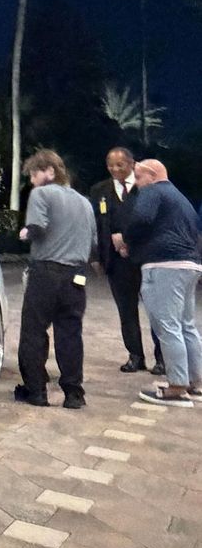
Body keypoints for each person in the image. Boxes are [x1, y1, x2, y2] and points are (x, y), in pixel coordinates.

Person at [15, 149, 96, 409]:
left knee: (34, 331)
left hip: (46, 273)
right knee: (70, 333)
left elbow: (38, 228)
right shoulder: (85, 202)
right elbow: (93, 242)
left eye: (33, 174)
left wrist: (25, 233)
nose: (32, 181)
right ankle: (74, 394)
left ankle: (36, 391)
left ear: (49, 171)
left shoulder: (41, 194)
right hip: (76, 276)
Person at [119, 159, 202, 408]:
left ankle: (177, 387)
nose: (137, 184)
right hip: (189, 264)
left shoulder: (153, 191)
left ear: (152, 175)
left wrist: (127, 240)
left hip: (164, 264)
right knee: (186, 326)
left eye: (139, 177)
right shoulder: (180, 198)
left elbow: (141, 218)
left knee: (168, 326)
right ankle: (195, 381)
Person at [90, 146, 162, 374]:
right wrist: (96, 256)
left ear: (132, 164)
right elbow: (96, 225)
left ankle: (162, 357)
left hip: (146, 258)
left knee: (156, 310)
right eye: (110, 165)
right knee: (126, 310)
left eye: (119, 165)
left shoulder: (146, 188)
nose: (115, 169)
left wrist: (129, 242)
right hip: (116, 262)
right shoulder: (99, 190)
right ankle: (135, 355)